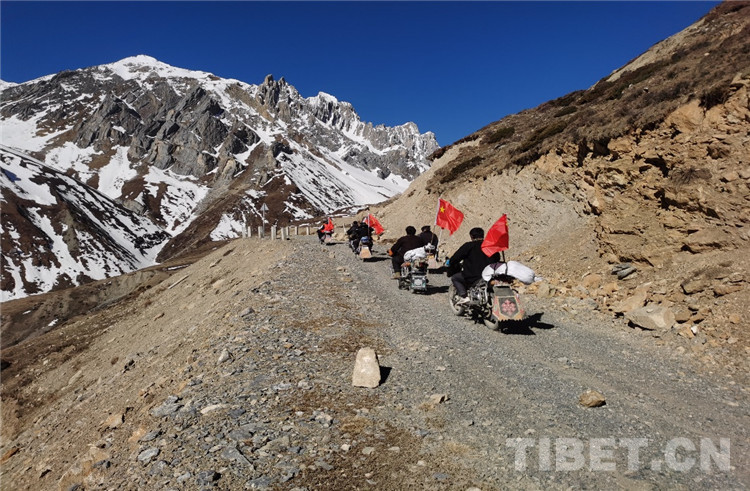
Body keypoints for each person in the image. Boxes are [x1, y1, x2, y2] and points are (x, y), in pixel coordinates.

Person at [446, 227, 500, 304]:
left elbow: (456, 257)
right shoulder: (491, 246)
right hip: (490, 274)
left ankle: (464, 297)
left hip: (473, 275)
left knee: (455, 278)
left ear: (471, 236)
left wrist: (450, 262)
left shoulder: (468, 246)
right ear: (483, 235)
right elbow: (497, 258)